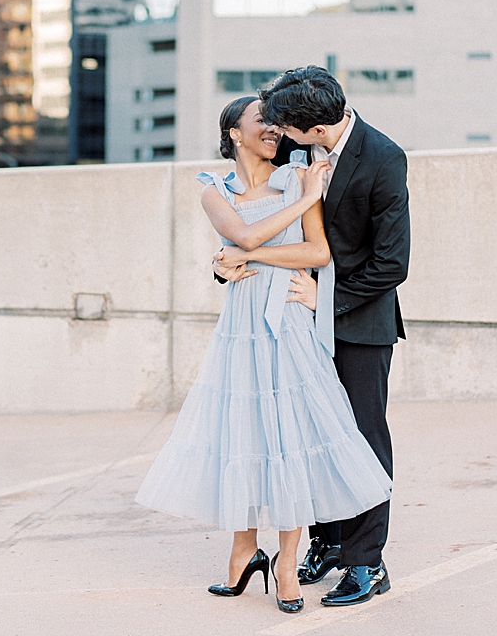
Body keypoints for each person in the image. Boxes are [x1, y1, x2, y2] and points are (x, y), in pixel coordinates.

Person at [135, 96, 393, 614]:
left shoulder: (297, 174)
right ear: (234, 133)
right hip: (241, 324)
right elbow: (245, 233)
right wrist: (301, 203)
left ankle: (289, 561)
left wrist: (260, 241)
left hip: (291, 316)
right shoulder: (215, 190)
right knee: (244, 430)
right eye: (263, 122)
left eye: (277, 124)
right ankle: (243, 552)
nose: (275, 130)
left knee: (294, 431)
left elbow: (317, 253)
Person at [219, 66, 409, 607]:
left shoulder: (383, 157)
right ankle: (326, 542)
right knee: (303, 435)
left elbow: (392, 263)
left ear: (313, 128)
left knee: (360, 438)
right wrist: (227, 265)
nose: (276, 136)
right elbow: (259, 218)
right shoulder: (293, 153)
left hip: (358, 319)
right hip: (289, 322)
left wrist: (326, 298)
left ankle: (367, 563)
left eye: (285, 128)